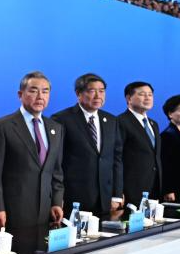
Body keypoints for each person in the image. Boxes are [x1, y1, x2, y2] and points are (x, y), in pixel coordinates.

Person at [0, 71, 65, 229]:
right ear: (20, 95)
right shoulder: (2, 126)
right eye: (34, 91)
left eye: (45, 91)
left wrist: (56, 202)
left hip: (45, 210)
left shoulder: (56, 128)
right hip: (12, 210)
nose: (40, 96)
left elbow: (56, 171)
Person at [50, 73, 124, 218]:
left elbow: (117, 159)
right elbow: (55, 162)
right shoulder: (61, 119)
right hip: (73, 198)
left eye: (101, 91)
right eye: (92, 91)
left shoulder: (111, 120)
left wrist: (116, 194)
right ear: (78, 93)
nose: (98, 96)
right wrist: (57, 198)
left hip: (105, 199)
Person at [116, 81, 163, 202]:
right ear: (129, 98)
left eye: (150, 94)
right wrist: (118, 191)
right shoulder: (120, 122)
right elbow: (116, 158)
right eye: (142, 94)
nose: (147, 98)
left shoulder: (154, 124)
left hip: (154, 188)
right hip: (131, 190)